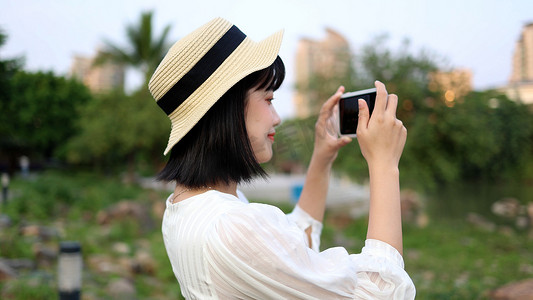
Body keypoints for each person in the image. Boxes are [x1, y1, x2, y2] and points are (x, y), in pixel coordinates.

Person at [148, 17, 415, 299]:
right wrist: (384, 164)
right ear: (227, 109)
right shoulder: (232, 227)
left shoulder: (186, 207)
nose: (276, 118)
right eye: (268, 99)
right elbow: (379, 294)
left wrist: (322, 158)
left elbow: (289, 247)